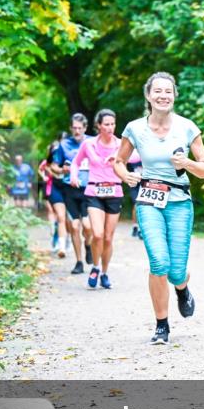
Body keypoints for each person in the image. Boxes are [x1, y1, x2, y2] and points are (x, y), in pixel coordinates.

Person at [114, 72, 204, 345]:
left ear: (174, 95)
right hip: (149, 201)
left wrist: (187, 164)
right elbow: (118, 161)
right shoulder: (134, 128)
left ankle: (182, 288)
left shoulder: (187, 127)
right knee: (159, 262)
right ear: (148, 95)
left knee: (175, 270)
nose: (162, 95)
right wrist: (126, 176)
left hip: (180, 203)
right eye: (157, 91)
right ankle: (161, 326)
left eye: (168, 91)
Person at [70, 109, 124, 289]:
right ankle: (95, 267)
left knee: (108, 238)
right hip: (94, 193)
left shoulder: (121, 144)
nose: (110, 127)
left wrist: (118, 157)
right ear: (99, 126)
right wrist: (74, 176)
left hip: (114, 193)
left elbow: (136, 156)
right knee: (98, 234)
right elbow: (76, 162)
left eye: (112, 124)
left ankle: (105, 272)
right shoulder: (89, 144)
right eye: (106, 124)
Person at [51, 115, 94, 274]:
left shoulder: (92, 142)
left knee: (88, 227)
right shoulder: (64, 145)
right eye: (74, 128)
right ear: (71, 129)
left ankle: (88, 245)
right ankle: (79, 262)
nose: (77, 131)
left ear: (85, 127)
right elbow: (54, 166)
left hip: (88, 189)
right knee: (75, 226)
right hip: (70, 190)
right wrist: (62, 170)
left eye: (80, 128)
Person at [38, 143, 60, 251]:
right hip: (49, 188)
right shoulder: (46, 162)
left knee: (60, 216)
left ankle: (58, 238)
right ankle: (53, 227)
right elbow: (40, 169)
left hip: (61, 189)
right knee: (51, 210)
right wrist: (44, 177)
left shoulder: (62, 160)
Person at [126, 152, 143, 240]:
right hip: (135, 185)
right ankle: (135, 226)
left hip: (146, 185)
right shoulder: (133, 155)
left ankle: (141, 228)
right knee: (137, 204)